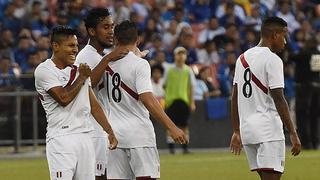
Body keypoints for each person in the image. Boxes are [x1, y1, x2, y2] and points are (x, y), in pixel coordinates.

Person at [104, 20, 188, 180]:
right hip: (139, 135)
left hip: (115, 135)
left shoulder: (107, 64)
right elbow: (147, 98)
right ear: (138, 40)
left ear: (115, 39)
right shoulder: (140, 64)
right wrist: (172, 127)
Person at [34, 26, 118, 180]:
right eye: (70, 45)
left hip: (86, 137)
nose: (75, 50)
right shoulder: (44, 70)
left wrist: (109, 131)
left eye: (76, 46)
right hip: (61, 138)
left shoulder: (79, 70)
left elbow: (94, 106)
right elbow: (63, 99)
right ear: (55, 46)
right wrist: (82, 77)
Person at [230, 17, 301, 180]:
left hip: (248, 131)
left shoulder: (241, 58)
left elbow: (234, 97)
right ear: (274, 35)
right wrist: (293, 132)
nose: (285, 41)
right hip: (268, 130)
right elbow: (279, 98)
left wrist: (236, 130)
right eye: (284, 35)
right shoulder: (273, 59)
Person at [74, 8, 127, 180]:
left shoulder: (99, 55)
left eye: (112, 26)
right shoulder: (87, 56)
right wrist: (108, 59)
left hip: (100, 128)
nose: (111, 31)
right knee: (98, 176)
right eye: (105, 27)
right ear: (91, 31)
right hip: (92, 129)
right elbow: (87, 86)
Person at [163, 46, 196, 154]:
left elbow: (192, 87)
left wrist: (192, 102)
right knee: (170, 125)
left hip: (184, 101)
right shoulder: (169, 70)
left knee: (184, 125)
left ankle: (185, 148)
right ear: (175, 56)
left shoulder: (188, 70)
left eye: (183, 54)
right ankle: (171, 148)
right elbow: (164, 85)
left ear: (186, 56)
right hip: (171, 101)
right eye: (179, 54)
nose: (181, 56)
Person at [291, 38, 320, 149]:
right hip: (317, 87)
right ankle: (315, 142)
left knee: (302, 115)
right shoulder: (318, 54)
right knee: (314, 116)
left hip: (304, 88)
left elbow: (291, 57)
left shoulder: (304, 54)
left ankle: (305, 142)